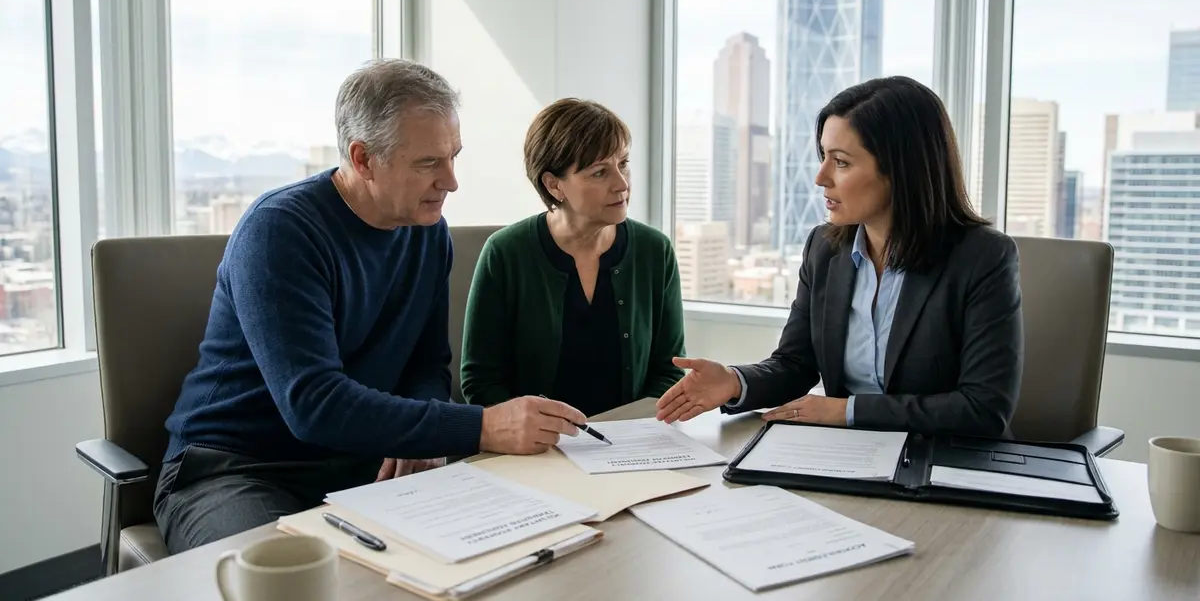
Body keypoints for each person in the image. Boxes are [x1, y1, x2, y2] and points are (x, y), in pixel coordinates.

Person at [154, 59, 588, 554]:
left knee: (514, 549)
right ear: (363, 159)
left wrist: (417, 440)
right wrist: (482, 426)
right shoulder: (280, 230)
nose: (451, 181)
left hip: (360, 462)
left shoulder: (428, 234)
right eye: (428, 163)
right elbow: (314, 405)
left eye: (454, 157)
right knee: (290, 586)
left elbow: (427, 365)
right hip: (238, 469)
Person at [656, 76, 1023, 438]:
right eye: (823, 157)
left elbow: (984, 409)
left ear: (901, 170)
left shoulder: (983, 257)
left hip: (945, 463)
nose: (820, 177)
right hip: (847, 458)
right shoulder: (825, 248)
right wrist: (735, 382)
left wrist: (845, 411)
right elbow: (796, 364)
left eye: (842, 162)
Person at [459, 98, 685, 417]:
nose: (621, 184)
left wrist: (632, 429)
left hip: (630, 445)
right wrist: (531, 430)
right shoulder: (505, 252)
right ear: (554, 185)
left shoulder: (654, 250)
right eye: (599, 173)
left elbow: (669, 371)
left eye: (623, 164)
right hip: (532, 449)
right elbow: (480, 381)